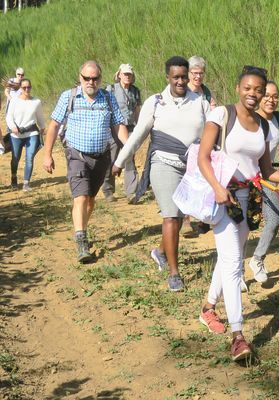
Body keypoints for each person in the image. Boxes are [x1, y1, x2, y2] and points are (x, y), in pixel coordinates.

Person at [197, 65, 279, 362]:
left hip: (249, 199)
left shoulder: (263, 127)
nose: (253, 94)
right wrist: (217, 188)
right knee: (235, 263)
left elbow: (267, 172)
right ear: (239, 88)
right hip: (223, 197)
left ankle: (208, 308)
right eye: (248, 88)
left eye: (258, 90)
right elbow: (203, 157)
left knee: (230, 255)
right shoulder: (221, 115)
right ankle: (239, 336)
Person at [112, 56, 210, 292]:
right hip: (162, 163)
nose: (180, 81)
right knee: (170, 216)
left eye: (184, 77)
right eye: (175, 77)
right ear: (167, 77)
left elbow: (213, 134)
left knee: (177, 218)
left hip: (191, 167)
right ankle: (174, 273)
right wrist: (120, 161)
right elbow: (138, 135)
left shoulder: (200, 102)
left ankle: (159, 251)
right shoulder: (156, 102)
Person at [43, 60, 129, 263]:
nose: (91, 81)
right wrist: (47, 153)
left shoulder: (108, 98)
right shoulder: (69, 96)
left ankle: (82, 228)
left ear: (100, 78)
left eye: (95, 78)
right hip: (76, 155)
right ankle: (81, 242)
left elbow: (118, 126)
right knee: (80, 198)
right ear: (80, 77)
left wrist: (130, 146)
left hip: (101, 158)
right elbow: (54, 125)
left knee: (90, 200)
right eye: (86, 78)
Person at [248, 80, 279, 283]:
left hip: (267, 177)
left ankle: (257, 259)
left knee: (274, 220)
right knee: (243, 226)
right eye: (266, 95)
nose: (271, 100)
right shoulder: (249, 119)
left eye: (275, 96)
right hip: (245, 179)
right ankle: (235, 271)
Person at [102, 64, 142, 202]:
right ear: (119, 74)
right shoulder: (110, 89)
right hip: (113, 128)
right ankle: (108, 191)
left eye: (129, 74)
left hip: (130, 128)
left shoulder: (135, 91)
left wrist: (139, 126)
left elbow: (137, 110)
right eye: (125, 74)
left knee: (129, 157)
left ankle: (131, 192)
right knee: (112, 158)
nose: (127, 76)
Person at [5, 78, 46, 191]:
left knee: (30, 157)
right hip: (16, 135)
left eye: (28, 87)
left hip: (32, 133)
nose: (27, 89)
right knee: (15, 158)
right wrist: (12, 126)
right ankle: (14, 178)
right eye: (24, 87)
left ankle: (26, 183)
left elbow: (40, 117)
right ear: (20, 88)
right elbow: (9, 116)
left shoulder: (36, 101)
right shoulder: (14, 101)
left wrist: (43, 127)